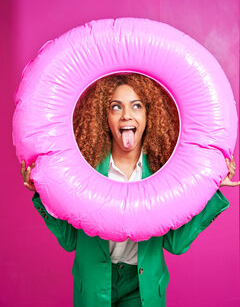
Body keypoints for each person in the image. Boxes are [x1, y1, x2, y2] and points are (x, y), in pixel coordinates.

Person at [21, 73, 240, 307]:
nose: (127, 114)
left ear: (148, 114)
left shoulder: (164, 174)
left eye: (136, 106)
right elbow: (69, 240)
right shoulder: (84, 171)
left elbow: (176, 243)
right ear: (105, 116)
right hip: (95, 283)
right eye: (116, 107)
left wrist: (212, 189)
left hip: (141, 285)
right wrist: (43, 193)